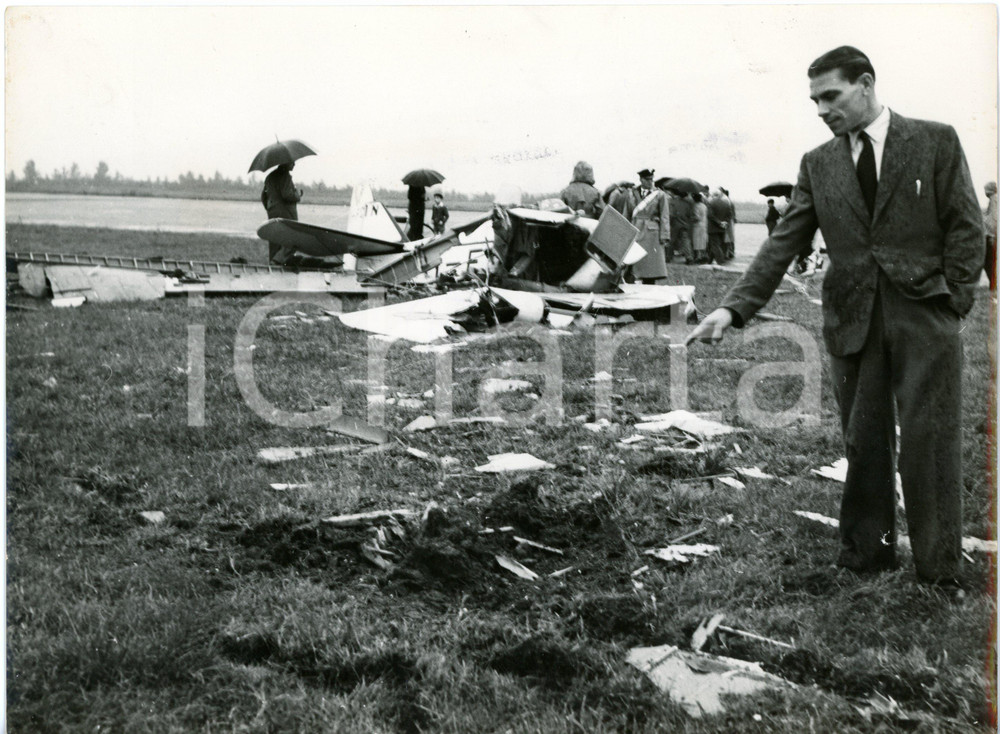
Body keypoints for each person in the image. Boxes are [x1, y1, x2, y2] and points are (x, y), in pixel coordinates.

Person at [686, 46, 984, 588]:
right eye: (814, 100)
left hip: (925, 314)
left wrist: (954, 300)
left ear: (866, 84)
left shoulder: (935, 140)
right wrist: (734, 307)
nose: (821, 109)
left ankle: (939, 567)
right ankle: (867, 551)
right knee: (863, 438)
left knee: (930, 438)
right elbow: (783, 243)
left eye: (831, 96)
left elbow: (966, 223)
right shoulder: (817, 163)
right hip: (852, 318)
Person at [630, 168, 670, 282]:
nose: (650, 182)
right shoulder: (632, 193)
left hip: (651, 233)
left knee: (650, 266)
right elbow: (627, 213)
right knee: (634, 263)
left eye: (651, 179)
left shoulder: (659, 195)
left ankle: (649, 283)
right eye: (647, 179)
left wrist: (665, 235)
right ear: (641, 179)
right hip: (635, 229)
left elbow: (664, 216)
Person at [261, 162, 303, 262]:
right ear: (286, 163)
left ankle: (273, 262)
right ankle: (283, 262)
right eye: (292, 162)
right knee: (290, 238)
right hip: (286, 212)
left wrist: (270, 209)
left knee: (274, 239)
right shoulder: (285, 176)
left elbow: (263, 197)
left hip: (272, 212)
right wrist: (297, 196)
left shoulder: (269, 177)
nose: (294, 164)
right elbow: (287, 195)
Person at [662, 178, 694, 264]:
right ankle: (689, 257)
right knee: (686, 241)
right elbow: (690, 215)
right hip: (685, 224)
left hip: (675, 224)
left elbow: (671, 214)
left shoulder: (672, 202)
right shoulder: (688, 203)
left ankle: (668, 257)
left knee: (671, 241)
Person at [705, 188, 734, 263]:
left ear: (713, 195)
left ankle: (720, 260)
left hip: (713, 227)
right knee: (718, 244)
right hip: (722, 227)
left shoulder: (710, 203)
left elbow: (710, 215)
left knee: (715, 244)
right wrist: (725, 222)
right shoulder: (726, 203)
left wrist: (719, 222)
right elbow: (730, 215)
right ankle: (710, 260)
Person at [984, 181, 997, 289]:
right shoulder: (994, 199)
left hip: (992, 235)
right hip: (992, 235)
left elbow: (993, 219)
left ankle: (993, 284)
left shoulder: (994, 199)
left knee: (988, 260)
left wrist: (992, 235)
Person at [691, 192, 709, 263]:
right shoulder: (704, 206)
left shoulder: (695, 206)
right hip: (704, 225)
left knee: (697, 242)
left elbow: (697, 217)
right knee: (702, 241)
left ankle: (698, 257)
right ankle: (702, 255)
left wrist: (691, 218)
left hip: (697, 226)